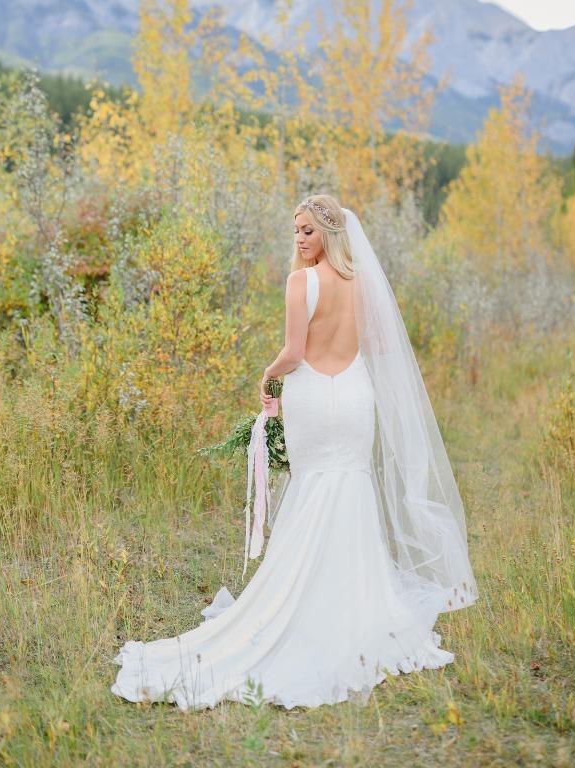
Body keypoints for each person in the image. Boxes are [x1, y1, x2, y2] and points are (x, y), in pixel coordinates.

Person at [111, 194, 478, 710]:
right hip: (354, 396)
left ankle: (303, 604)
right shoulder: (361, 282)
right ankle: (354, 610)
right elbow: (379, 344)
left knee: (313, 487)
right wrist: (345, 351)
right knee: (349, 484)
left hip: (310, 395)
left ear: (329, 233)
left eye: (308, 230)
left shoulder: (300, 282)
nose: (300, 239)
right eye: (296, 231)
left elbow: (294, 353)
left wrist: (267, 376)